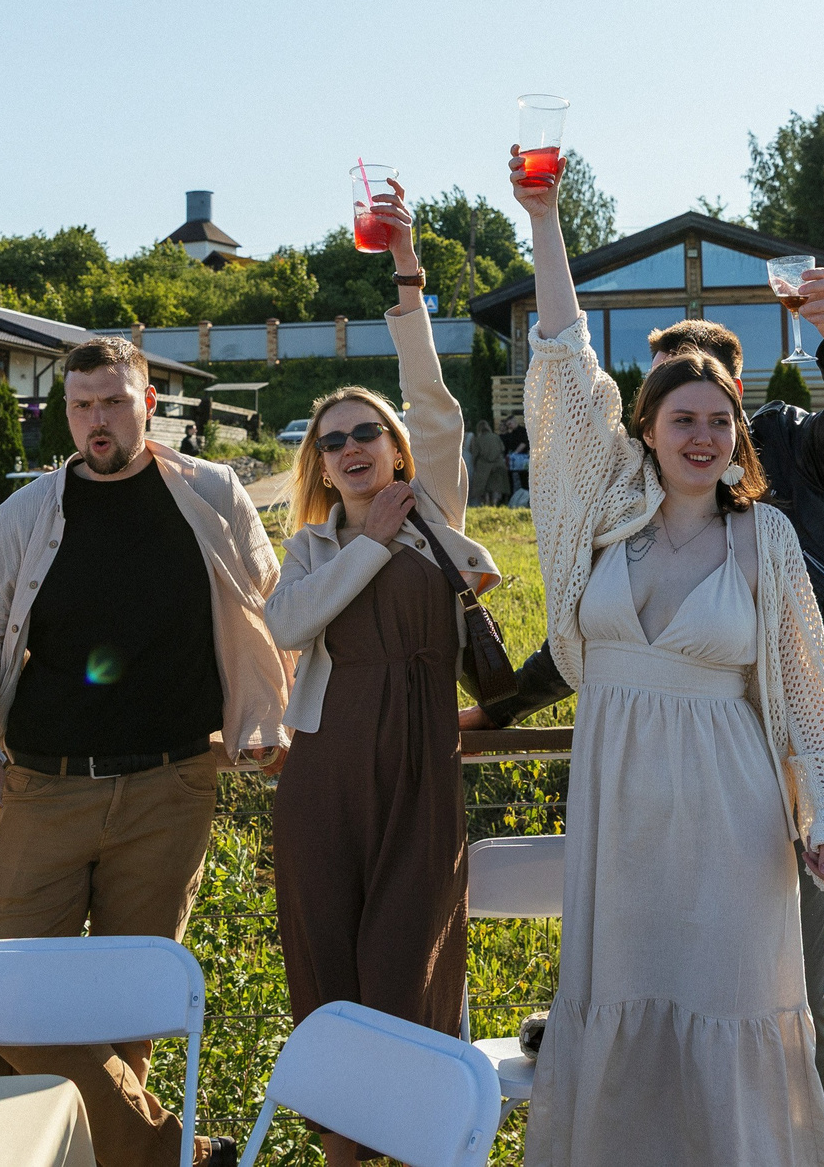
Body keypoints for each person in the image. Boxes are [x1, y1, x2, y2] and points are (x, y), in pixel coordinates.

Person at [504, 149, 824, 1167]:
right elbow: (568, 364)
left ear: (737, 434)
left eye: (719, 422)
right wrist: (545, 219)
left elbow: (806, 698)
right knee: (618, 1004)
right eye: (682, 420)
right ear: (648, 431)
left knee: (731, 1013)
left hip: (730, 821)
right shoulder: (601, 519)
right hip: (619, 813)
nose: (702, 436)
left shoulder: (766, 542)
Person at [471, 285, 824, 1091]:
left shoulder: (789, 448)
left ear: (737, 406)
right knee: (644, 984)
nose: (691, 422)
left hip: (776, 770)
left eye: (711, 405)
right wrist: (493, 708)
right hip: (636, 790)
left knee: (783, 989)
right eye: (669, 398)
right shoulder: (622, 505)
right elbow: (589, 636)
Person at [0, 334, 291, 1167]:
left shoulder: (212, 493)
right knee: (0, 994)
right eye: (82, 404)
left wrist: (272, 717)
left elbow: (272, 613)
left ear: (148, 404)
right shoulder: (28, 513)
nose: (97, 420)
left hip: (172, 784)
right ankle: (170, 1153)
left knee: (130, 1012)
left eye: (113, 402)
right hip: (44, 786)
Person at [266, 184, 502, 1167]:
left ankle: (412, 1142)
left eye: (368, 433)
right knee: (325, 954)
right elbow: (287, 625)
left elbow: (434, 402)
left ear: (395, 451)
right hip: (324, 763)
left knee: (407, 957)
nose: (354, 447)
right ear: (319, 465)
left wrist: (405, 275)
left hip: (421, 756)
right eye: (334, 440)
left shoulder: (434, 510)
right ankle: (341, 1153)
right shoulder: (318, 545)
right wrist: (367, 544)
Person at [468, 418, 509, 507]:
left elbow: (475, 454)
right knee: (496, 487)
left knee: (485, 488)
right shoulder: (496, 437)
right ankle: (494, 504)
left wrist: (474, 464)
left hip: (483, 467)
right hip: (497, 465)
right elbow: (502, 449)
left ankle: (486, 505)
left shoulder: (479, 439)